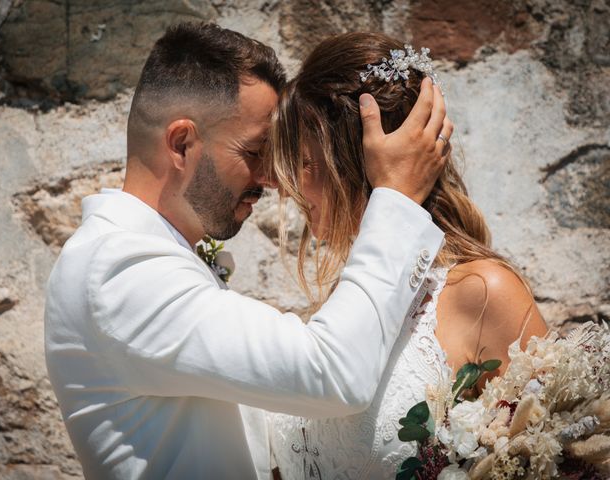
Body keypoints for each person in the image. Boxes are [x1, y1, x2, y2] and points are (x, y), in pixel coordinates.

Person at [44, 23, 453, 479]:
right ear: (182, 144)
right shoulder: (118, 272)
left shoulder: (138, 258)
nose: (272, 178)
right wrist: (395, 198)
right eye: (256, 151)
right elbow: (333, 373)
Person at [267, 32, 548, 479]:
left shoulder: (484, 293)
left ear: (357, 162)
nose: (288, 187)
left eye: (303, 162)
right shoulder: (351, 297)